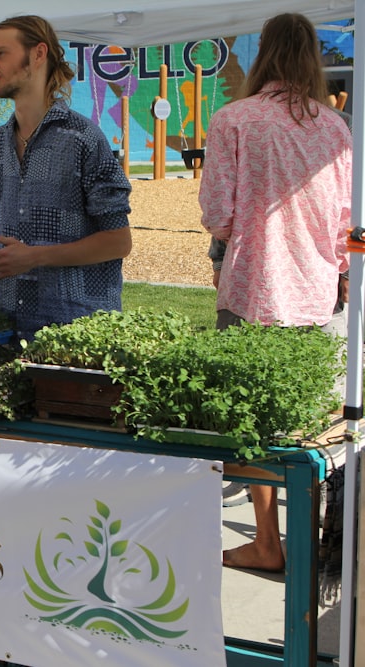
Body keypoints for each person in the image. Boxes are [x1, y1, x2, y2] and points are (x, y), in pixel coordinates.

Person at [199, 12, 351, 572]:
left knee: (249, 419)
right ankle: (310, 539)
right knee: (307, 417)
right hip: (315, 293)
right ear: (312, 55)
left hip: (253, 287)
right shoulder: (336, 129)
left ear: (262, 52)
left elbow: (218, 213)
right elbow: (345, 222)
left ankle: (267, 539)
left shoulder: (236, 119)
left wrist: (229, 237)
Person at [0, 15, 132, 339]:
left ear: (38, 54)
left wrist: (35, 258)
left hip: (77, 337)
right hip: (7, 328)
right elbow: (11, 238)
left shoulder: (84, 139)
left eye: (1, 54)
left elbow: (118, 242)